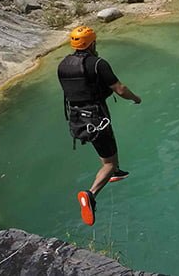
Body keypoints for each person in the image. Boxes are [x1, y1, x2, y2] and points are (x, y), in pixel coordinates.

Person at [57, 26, 142, 226]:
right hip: (97, 118)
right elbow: (120, 89)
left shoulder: (62, 65)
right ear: (92, 43)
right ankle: (91, 194)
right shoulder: (98, 64)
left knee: (106, 153)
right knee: (108, 163)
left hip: (77, 118)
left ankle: (116, 171)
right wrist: (135, 98)